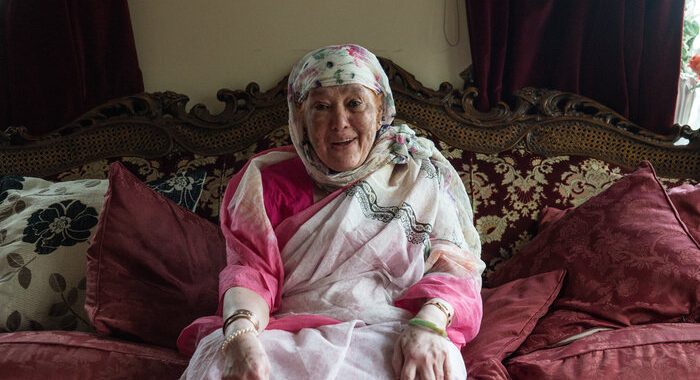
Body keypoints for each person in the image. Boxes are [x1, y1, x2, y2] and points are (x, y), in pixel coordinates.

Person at [178, 44, 485, 380]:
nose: (340, 123)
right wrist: (240, 335)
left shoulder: (418, 174)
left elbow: (456, 271)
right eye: (322, 107)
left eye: (355, 103)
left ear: (380, 108)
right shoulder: (264, 182)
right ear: (301, 118)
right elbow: (250, 273)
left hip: (394, 330)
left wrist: (428, 327)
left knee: (430, 367)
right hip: (284, 332)